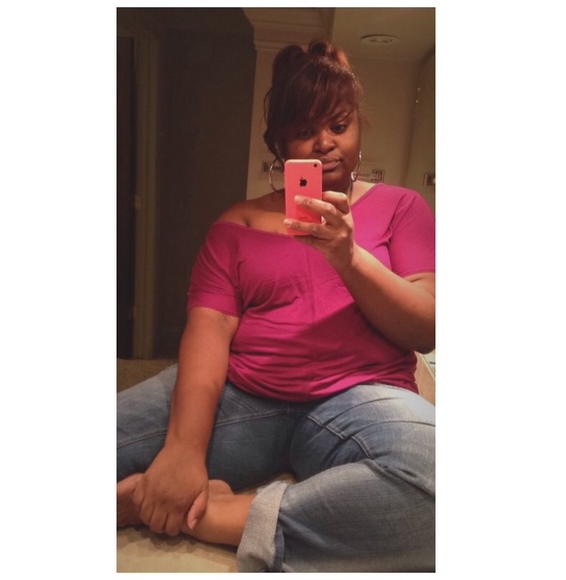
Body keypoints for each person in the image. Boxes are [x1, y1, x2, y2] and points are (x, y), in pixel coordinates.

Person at [117, 39, 436, 572]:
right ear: (280, 144)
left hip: (361, 397)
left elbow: (426, 327)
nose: (324, 143)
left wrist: (349, 257)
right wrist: (182, 451)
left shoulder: (401, 206)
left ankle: (217, 516)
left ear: (358, 128)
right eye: (305, 130)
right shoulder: (236, 224)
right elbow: (208, 331)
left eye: (339, 125)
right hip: (245, 395)